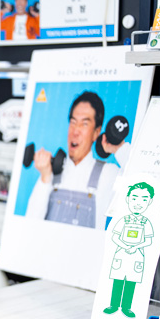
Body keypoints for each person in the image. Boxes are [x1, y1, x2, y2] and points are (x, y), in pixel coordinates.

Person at [25, 91, 130, 229]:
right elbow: (29, 226)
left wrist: (119, 149)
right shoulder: (50, 173)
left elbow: (145, 183)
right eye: (73, 122)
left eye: (84, 124)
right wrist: (45, 177)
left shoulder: (109, 174)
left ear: (96, 133)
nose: (75, 131)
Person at [103, 182, 155, 318]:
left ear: (150, 202)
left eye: (144, 199)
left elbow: (149, 240)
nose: (138, 203)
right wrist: (126, 246)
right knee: (117, 280)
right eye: (134, 198)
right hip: (121, 253)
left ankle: (126, 307)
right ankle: (113, 305)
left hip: (137, 255)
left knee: (131, 282)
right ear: (127, 199)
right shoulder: (122, 219)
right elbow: (114, 236)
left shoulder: (147, 222)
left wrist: (135, 247)